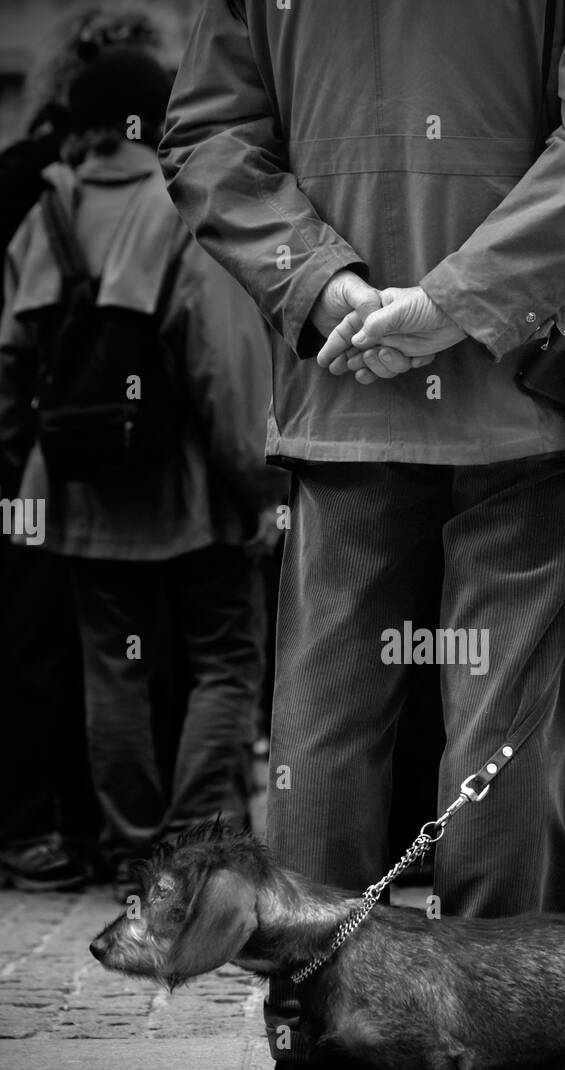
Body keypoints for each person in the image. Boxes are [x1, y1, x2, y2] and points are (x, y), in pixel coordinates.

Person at [160, 0, 565, 1070]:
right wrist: (452, 303)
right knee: (509, 715)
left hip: (347, 372)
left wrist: (324, 281)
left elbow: (207, 137)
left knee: (325, 720)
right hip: (532, 371)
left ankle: (318, 1036)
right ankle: (506, 1053)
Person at [0, 46, 280, 902]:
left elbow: (12, 364)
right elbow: (223, 374)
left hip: (78, 494)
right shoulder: (186, 206)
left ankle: (129, 848)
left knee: (111, 664)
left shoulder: (49, 209)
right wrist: (259, 494)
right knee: (224, 658)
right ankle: (193, 844)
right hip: (188, 492)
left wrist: (33, 470)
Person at [0, 7, 170, 892]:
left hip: (40, 466)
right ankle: (110, 838)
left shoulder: (36, 188)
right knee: (121, 652)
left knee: (54, 647)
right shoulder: (167, 194)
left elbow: (12, 349)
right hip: (137, 468)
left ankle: (51, 829)